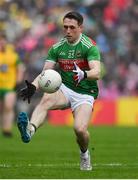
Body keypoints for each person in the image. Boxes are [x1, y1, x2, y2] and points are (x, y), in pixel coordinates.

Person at [17, 11, 101, 170]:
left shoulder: (89, 46)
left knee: (80, 130)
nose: (68, 31)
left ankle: (84, 154)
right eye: (65, 27)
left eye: (72, 27)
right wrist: (34, 86)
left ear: (81, 28)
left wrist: (84, 74)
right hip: (65, 88)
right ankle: (29, 130)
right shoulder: (57, 48)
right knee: (46, 100)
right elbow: (45, 73)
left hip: (85, 93)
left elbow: (97, 72)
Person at [0, 33, 25, 137]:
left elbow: (21, 68)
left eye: (2, 40)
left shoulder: (12, 55)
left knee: (8, 107)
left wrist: (18, 82)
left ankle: (7, 129)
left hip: (9, 86)